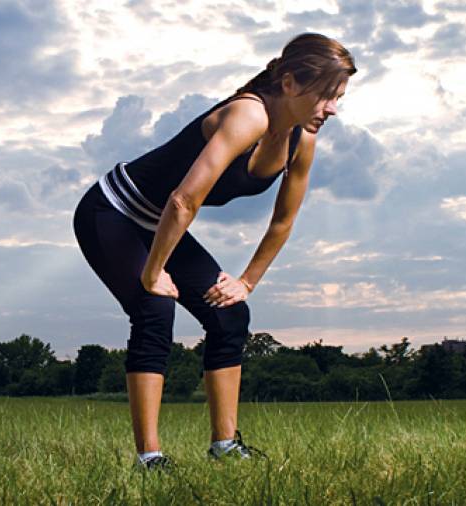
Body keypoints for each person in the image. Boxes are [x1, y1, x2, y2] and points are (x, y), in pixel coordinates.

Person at [73, 33, 356, 470]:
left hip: (160, 223)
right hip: (113, 210)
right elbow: (184, 201)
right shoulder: (247, 115)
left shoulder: (303, 139)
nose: (332, 108)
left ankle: (224, 445)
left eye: (338, 98)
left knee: (229, 314)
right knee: (154, 310)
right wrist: (152, 274)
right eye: (326, 95)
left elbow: (283, 220)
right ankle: (150, 458)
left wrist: (246, 282)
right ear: (289, 83)